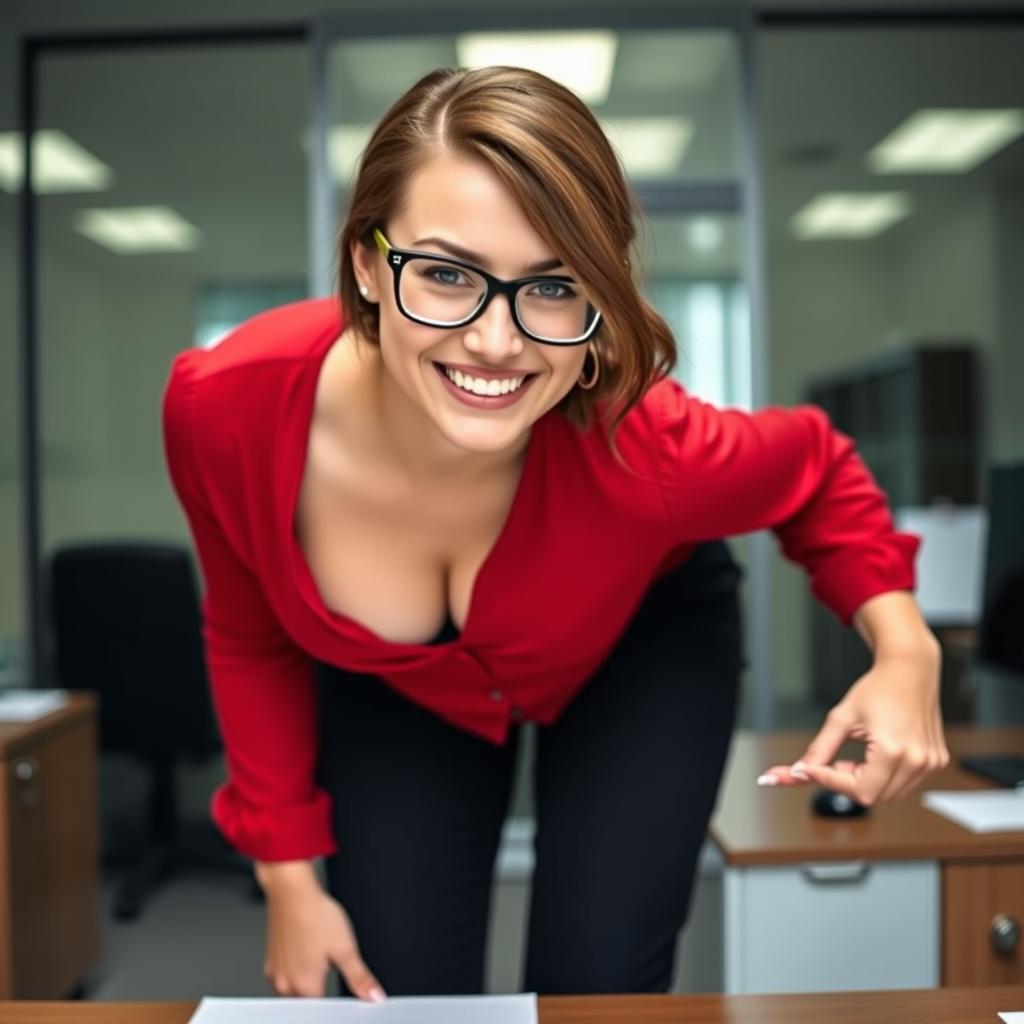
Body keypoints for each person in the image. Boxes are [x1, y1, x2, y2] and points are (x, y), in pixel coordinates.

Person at [162, 66, 948, 1002]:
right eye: (447, 274)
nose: (498, 342)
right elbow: (249, 633)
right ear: (368, 264)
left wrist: (906, 651)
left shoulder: (644, 446)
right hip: (397, 692)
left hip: (640, 648)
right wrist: (286, 875)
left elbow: (815, 469)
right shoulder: (223, 411)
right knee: (399, 996)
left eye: (553, 287)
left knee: (598, 985)